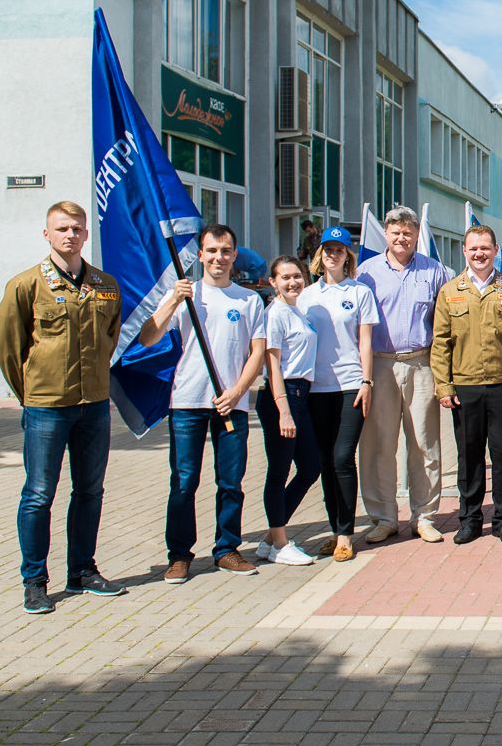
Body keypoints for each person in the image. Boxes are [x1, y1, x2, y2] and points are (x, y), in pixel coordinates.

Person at [0, 200, 127, 615]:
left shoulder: (105, 285)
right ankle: (34, 580)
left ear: (86, 235)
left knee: (89, 491)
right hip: (47, 408)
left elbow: (110, 338)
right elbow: (8, 350)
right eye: (62, 228)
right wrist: (32, 393)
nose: (70, 235)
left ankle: (83, 571)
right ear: (46, 234)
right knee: (38, 494)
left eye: (77, 228)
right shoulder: (26, 285)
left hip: (94, 406)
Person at [139, 223, 267, 583]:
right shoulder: (185, 293)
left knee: (231, 481)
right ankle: (179, 555)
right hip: (187, 401)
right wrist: (173, 302)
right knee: (183, 481)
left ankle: (226, 549)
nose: (219, 258)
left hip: (231, 404)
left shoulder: (248, 299)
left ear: (234, 255)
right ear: (200, 255)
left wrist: (239, 390)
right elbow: (149, 337)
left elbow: (257, 352)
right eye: (212, 251)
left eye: (225, 251)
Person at [433, 224, 502, 545]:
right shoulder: (451, 291)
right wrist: (444, 386)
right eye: (473, 248)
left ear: (495, 251)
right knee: (469, 456)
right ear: (464, 252)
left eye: (485, 248)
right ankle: (470, 518)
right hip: (464, 387)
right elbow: (440, 343)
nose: (479, 253)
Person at [356, 206, 453, 545]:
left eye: (408, 232)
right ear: (386, 233)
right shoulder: (366, 273)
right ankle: (383, 518)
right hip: (380, 363)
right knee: (378, 444)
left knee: (425, 442)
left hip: (421, 362)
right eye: (396, 232)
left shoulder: (434, 271)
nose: (402, 238)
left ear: (415, 235)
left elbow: (446, 322)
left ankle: (424, 517)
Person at [298, 225, 377, 561]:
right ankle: (334, 529)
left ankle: (346, 534)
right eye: (328, 249)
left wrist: (367, 382)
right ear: (321, 254)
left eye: (340, 250)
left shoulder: (359, 293)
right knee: (326, 462)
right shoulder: (305, 295)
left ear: (348, 256)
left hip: (350, 386)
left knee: (343, 458)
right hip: (316, 388)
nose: (333, 255)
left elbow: (365, 342)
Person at [252, 255, 321, 566]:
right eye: (285, 277)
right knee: (279, 472)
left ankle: (270, 537)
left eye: (297, 276)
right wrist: (283, 410)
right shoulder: (275, 314)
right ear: (273, 282)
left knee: (310, 467)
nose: (293, 282)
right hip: (282, 396)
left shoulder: (297, 311)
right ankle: (280, 543)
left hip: (300, 394)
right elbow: (272, 363)